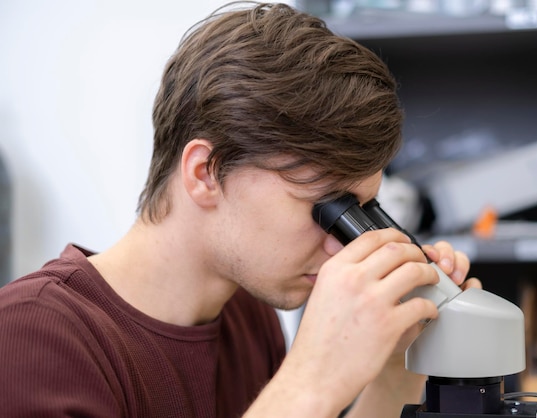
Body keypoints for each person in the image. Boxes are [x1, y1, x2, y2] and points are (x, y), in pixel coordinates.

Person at [0, 2, 479, 417]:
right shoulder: (31, 337)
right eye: (324, 206)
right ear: (205, 173)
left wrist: (397, 363)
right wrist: (308, 384)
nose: (343, 245)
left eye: (363, 209)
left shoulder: (247, 312)